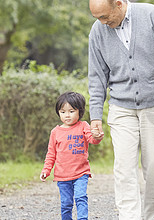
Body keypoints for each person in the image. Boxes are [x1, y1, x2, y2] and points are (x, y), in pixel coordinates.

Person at [87, 0, 154, 220]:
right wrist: (95, 117)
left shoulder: (152, 15)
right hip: (122, 107)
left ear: (119, 5)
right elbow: (97, 77)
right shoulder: (98, 32)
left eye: (104, 16)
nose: (101, 22)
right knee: (123, 168)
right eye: (96, 17)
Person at [40, 91, 103, 220]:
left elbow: (92, 140)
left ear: (80, 111)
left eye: (71, 111)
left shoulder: (83, 126)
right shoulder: (55, 132)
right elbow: (51, 154)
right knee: (66, 204)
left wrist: (97, 136)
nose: (67, 115)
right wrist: (46, 170)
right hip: (62, 176)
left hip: (81, 173)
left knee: (80, 198)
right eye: (63, 112)